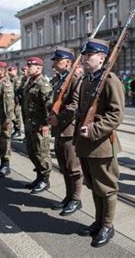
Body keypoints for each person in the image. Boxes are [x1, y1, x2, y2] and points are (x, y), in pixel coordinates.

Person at [74, 38, 124, 248]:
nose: (85, 58)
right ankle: (98, 221)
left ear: (102, 58)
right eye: (85, 54)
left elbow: (116, 115)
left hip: (101, 144)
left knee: (107, 188)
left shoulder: (110, 80)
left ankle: (108, 225)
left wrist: (93, 129)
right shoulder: (87, 80)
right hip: (86, 144)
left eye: (89, 55)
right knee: (94, 186)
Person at [47, 46, 84, 216]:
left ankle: (76, 199)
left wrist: (58, 118)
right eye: (54, 60)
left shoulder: (75, 78)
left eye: (58, 60)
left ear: (68, 62)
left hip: (69, 129)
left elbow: (74, 106)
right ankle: (68, 196)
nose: (54, 63)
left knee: (73, 167)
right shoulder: (59, 79)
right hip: (59, 129)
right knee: (63, 166)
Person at [21, 57, 53, 194]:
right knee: (32, 152)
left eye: (30, 66)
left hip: (40, 126)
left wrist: (46, 124)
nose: (27, 68)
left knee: (42, 154)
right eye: (27, 65)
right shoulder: (29, 82)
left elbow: (49, 106)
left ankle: (45, 180)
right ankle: (39, 177)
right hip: (30, 125)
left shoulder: (43, 85)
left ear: (39, 68)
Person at [0, 62, 15, 178]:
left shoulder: (6, 84)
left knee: (5, 141)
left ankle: (6, 165)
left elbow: (9, 104)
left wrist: (7, 120)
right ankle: (2, 164)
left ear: (3, 70)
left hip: (3, 118)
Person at [8, 66, 23, 138]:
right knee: (12, 115)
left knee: (16, 115)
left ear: (16, 71)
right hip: (11, 100)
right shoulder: (10, 79)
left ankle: (18, 129)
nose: (10, 72)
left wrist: (16, 101)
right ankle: (16, 128)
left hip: (15, 100)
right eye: (9, 70)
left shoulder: (17, 79)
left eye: (12, 70)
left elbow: (17, 90)